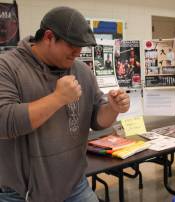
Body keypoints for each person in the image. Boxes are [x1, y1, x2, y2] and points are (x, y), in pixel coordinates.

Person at [0, 6, 130, 202]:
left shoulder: (81, 71)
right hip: (23, 193)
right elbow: (4, 123)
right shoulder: (7, 67)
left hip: (75, 185)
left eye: (81, 47)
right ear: (49, 37)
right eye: (72, 46)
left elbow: (97, 120)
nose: (78, 53)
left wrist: (113, 108)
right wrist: (58, 98)